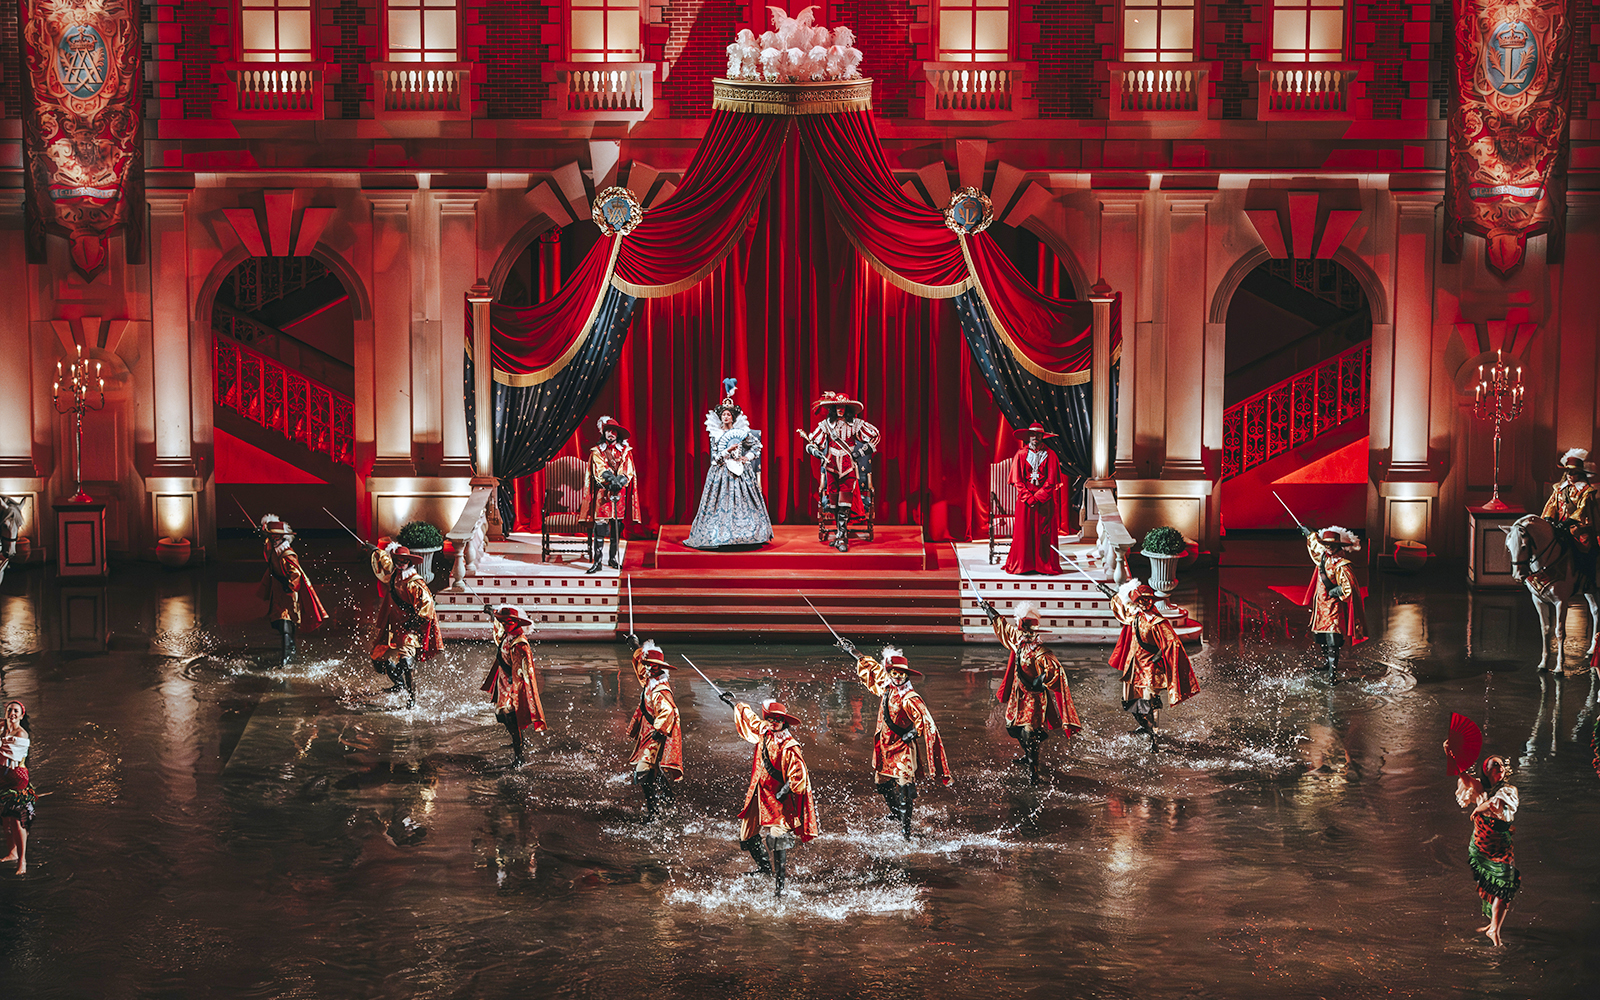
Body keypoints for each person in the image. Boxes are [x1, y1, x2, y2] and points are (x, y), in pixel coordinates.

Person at [845, 641, 952, 839]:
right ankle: (895, 814)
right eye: (894, 673)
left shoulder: (909, 697)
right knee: (882, 784)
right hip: (885, 745)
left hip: (902, 748)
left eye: (901, 674)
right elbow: (871, 668)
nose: (897, 677)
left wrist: (912, 734)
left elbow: (925, 720)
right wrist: (853, 651)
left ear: (906, 676)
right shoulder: (886, 687)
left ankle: (906, 830)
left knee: (903, 787)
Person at [718, 693, 819, 896]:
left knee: (776, 838)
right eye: (770, 719)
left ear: (784, 722)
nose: (773, 723)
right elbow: (750, 718)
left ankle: (780, 888)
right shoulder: (764, 730)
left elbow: (798, 778)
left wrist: (781, 795)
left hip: (780, 801)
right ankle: (765, 870)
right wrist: (734, 703)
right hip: (758, 793)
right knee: (747, 834)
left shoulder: (790, 748)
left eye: (777, 720)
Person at [978, 599, 1082, 785]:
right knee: (1013, 727)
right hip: (1018, 696)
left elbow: (1055, 673)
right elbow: (1002, 625)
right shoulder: (1018, 641)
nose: (1025, 635)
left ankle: (1034, 772)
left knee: (1029, 733)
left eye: (1028, 632)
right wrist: (987, 609)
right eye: (1023, 631)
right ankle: (1028, 755)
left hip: (1034, 698)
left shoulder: (1041, 652)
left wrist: (1039, 681)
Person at [1108, 580, 1201, 750]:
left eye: (1147, 600)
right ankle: (1146, 727)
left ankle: (1153, 736)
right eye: (1140, 600)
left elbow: (1173, 642)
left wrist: (1157, 657)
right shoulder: (1135, 615)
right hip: (1134, 666)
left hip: (1150, 670)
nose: (1143, 603)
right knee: (1129, 702)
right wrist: (1112, 593)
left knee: (1149, 703)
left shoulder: (1157, 622)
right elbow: (1120, 607)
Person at [685, 378, 774, 549]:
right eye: (723, 414)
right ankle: (719, 534)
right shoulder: (716, 435)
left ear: (733, 417)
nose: (726, 417)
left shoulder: (741, 432)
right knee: (719, 503)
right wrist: (727, 451)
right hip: (721, 471)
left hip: (741, 470)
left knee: (745, 503)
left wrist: (746, 457)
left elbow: (756, 446)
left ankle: (747, 534)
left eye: (728, 414)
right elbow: (715, 458)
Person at [1450, 752, 1520, 946]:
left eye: (1502, 765)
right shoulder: (1479, 788)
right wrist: (1451, 754)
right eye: (1496, 765)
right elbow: (1462, 774)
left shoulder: (1508, 790)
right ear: (1487, 770)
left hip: (1501, 845)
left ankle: (1494, 928)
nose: (1501, 768)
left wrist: (1479, 808)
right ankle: (1493, 927)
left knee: (1505, 883)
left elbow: (1496, 804)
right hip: (1481, 846)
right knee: (1495, 885)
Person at [799, 390, 881, 552]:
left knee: (845, 501)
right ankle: (839, 533)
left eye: (843, 406)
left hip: (848, 466)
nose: (840, 409)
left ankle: (842, 537)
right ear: (833, 407)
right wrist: (816, 452)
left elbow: (875, 435)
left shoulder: (856, 424)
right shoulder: (825, 425)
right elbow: (812, 442)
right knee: (834, 502)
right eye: (837, 406)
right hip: (831, 466)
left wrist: (860, 452)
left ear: (847, 408)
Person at [369, 542, 443, 707]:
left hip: (408, 629)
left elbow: (428, 606)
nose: (401, 563)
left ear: (409, 562)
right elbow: (385, 564)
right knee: (379, 658)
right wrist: (375, 551)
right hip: (392, 625)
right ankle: (399, 684)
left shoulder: (415, 583)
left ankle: (412, 698)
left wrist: (414, 623)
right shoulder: (395, 573)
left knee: (407, 664)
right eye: (398, 560)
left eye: (404, 561)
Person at [623, 637, 684, 819]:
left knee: (643, 772)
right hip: (647, 733)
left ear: (661, 668)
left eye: (654, 666)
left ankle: (653, 812)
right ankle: (668, 800)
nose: (649, 668)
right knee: (653, 770)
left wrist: (658, 731)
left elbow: (669, 712)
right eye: (648, 664)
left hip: (656, 735)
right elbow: (641, 666)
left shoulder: (661, 690)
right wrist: (635, 645)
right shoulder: (650, 678)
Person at [255, 516, 327, 667]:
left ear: (282, 536)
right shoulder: (272, 547)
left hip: (288, 592)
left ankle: (286, 657)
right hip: (277, 591)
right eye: (271, 534)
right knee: (279, 621)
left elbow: (296, 574)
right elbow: (267, 549)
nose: (273, 537)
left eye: (276, 535)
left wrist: (289, 585)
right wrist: (263, 532)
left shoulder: (287, 554)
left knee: (286, 621)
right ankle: (290, 648)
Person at [479, 604, 545, 766]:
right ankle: (519, 741)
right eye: (503, 622)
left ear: (516, 623)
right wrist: (491, 613)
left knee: (510, 717)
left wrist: (514, 685)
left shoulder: (520, 644)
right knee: (505, 717)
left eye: (508, 622)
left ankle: (519, 755)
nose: (504, 625)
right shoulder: (507, 635)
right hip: (503, 682)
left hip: (513, 685)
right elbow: (497, 632)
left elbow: (524, 670)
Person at [1301, 525, 1367, 684]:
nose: (1329, 548)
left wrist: (1336, 591)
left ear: (1338, 546)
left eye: (1332, 546)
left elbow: (1348, 587)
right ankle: (1326, 664)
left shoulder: (1342, 564)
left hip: (1333, 607)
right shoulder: (1323, 557)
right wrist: (1309, 534)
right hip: (1321, 604)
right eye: (1327, 545)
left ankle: (1333, 673)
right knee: (1322, 637)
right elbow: (1315, 548)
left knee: (1332, 639)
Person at [1004, 423, 1064, 576]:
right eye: (1032, 435)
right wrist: (1028, 497)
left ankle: (1044, 566)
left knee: (1044, 533)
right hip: (1025, 502)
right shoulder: (1020, 454)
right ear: (1028, 437)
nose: (1035, 438)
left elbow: (1051, 482)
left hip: (1044, 500)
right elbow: (1017, 480)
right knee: (1024, 532)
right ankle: (1024, 565)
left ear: (1042, 437)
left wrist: (1037, 497)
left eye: (1038, 435)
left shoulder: (1051, 455)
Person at [583, 415, 639, 574]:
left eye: (614, 431)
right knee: (600, 527)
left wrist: (620, 480)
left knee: (616, 527)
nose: (611, 434)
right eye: (608, 431)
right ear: (604, 433)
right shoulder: (597, 451)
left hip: (618, 493)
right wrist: (609, 478)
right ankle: (598, 562)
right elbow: (598, 468)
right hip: (603, 493)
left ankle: (613, 559)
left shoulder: (626, 451)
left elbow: (628, 469)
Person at [1542, 448, 1596, 591]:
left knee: (1584, 547)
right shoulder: (1559, 489)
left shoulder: (1586, 491)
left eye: (1573, 472)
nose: (1570, 475)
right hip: (1558, 524)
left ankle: (1586, 578)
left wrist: (1568, 523)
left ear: (1580, 474)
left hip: (1577, 526)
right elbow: (1552, 505)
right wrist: (1548, 518)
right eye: (1568, 472)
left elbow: (1582, 510)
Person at [0, 700, 34, 875]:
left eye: (16, 711)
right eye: (9, 710)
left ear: (21, 715)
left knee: (16, 821)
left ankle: (23, 861)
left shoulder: (21, 734)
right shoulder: (3, 728)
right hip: (2, 779)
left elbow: (2, 757)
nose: (12, 713)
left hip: (17, 782)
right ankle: (12, 853)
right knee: (5, 821)